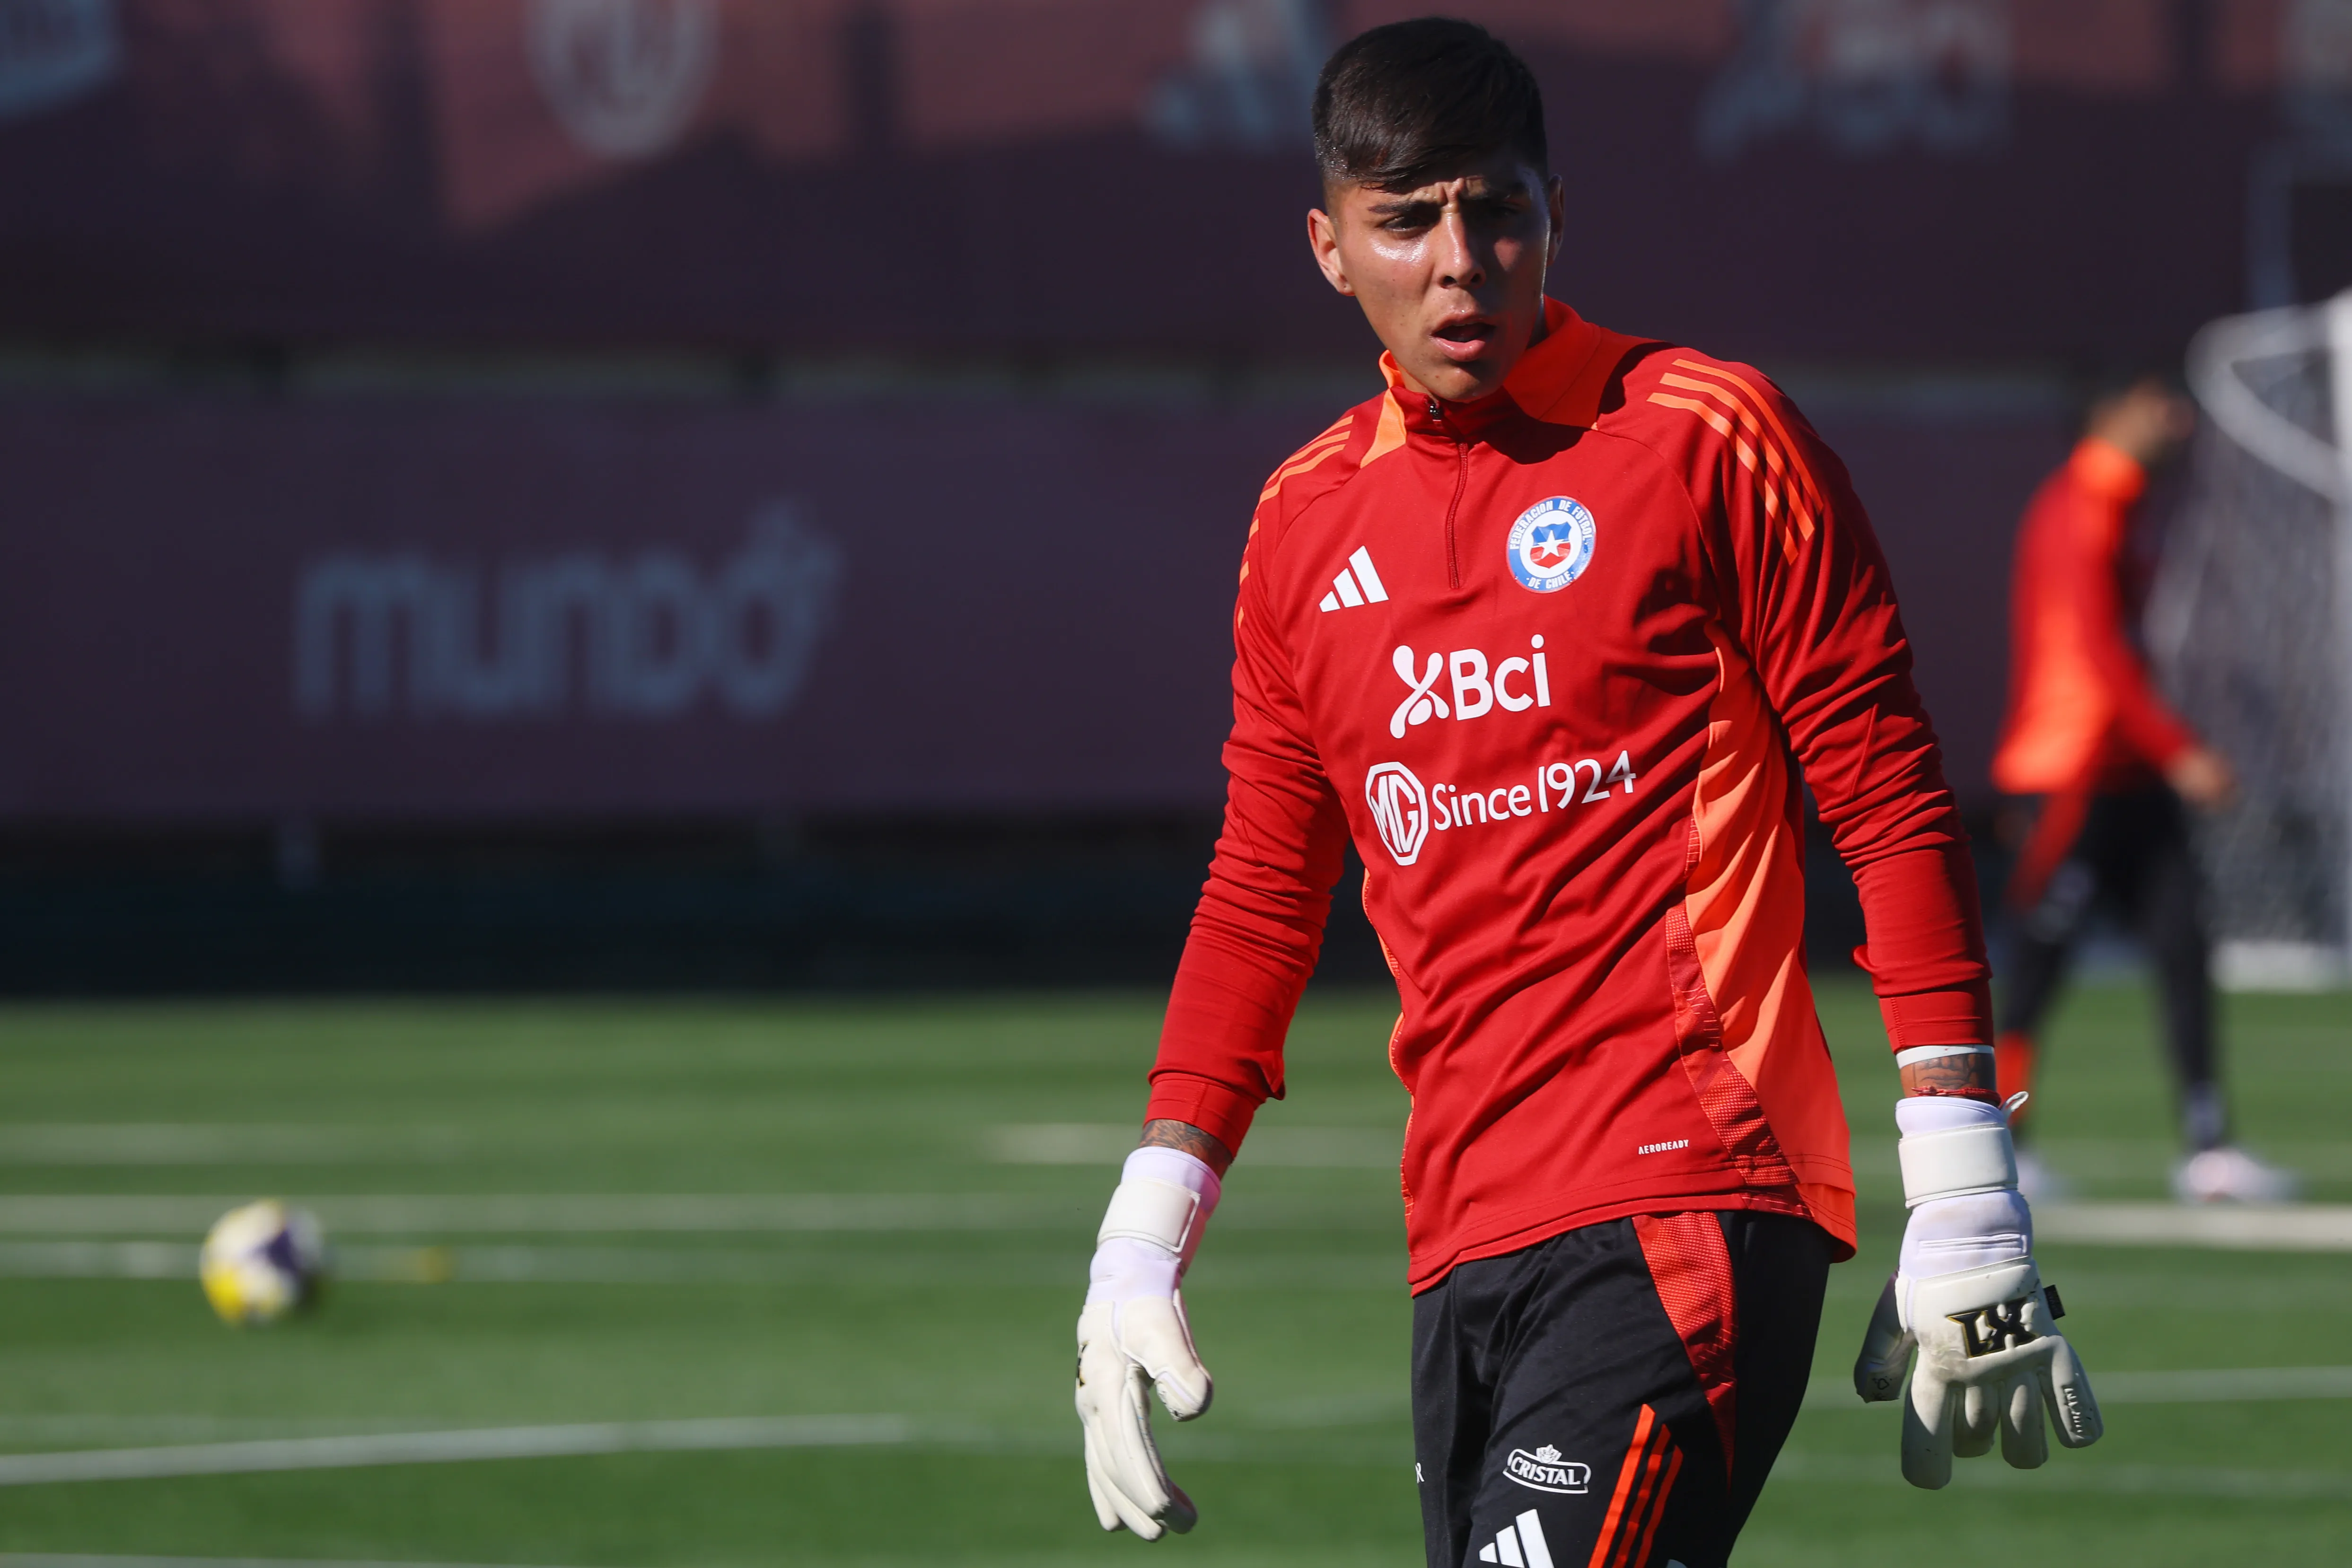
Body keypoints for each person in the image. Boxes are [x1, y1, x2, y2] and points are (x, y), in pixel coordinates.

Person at [1073, 20, 2100, 1568]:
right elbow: (1263, 891)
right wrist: (1143, 1229)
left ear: (1557, 213)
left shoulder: (1702, 435)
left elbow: (1886, 794)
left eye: (1495, 211)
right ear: (1328, 247)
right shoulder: (1300, 523)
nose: (1458, 262)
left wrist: (1961, 1174)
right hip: (1461, 1235)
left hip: (1691, 1192)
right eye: (1404, 221)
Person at [1990, 378, 2296, 1204]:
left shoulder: (2129, 505)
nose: (2178, 420)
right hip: (2072, 771)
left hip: (2128, 770)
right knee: (2039, 964)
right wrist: (2180, 748)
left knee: (2184, 944)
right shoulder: (2081, 504)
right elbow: (2101, 650)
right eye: (2161, 403)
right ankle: (2000, 1142)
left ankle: (2210, 1144)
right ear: (2111, 412)